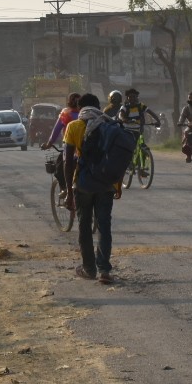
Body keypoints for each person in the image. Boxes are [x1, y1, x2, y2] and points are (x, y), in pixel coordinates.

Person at [63, 97, 119, 283]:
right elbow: (116, 159)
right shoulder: (109, 126)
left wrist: (69, 192)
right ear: (98, 107)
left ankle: (89, 268)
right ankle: (104, 270)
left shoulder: (73, 126)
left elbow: (67, 162)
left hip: (83, 185)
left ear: (80, 108)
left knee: (84, 226)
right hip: (105, 185)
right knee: (104, 226)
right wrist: (117, 185)